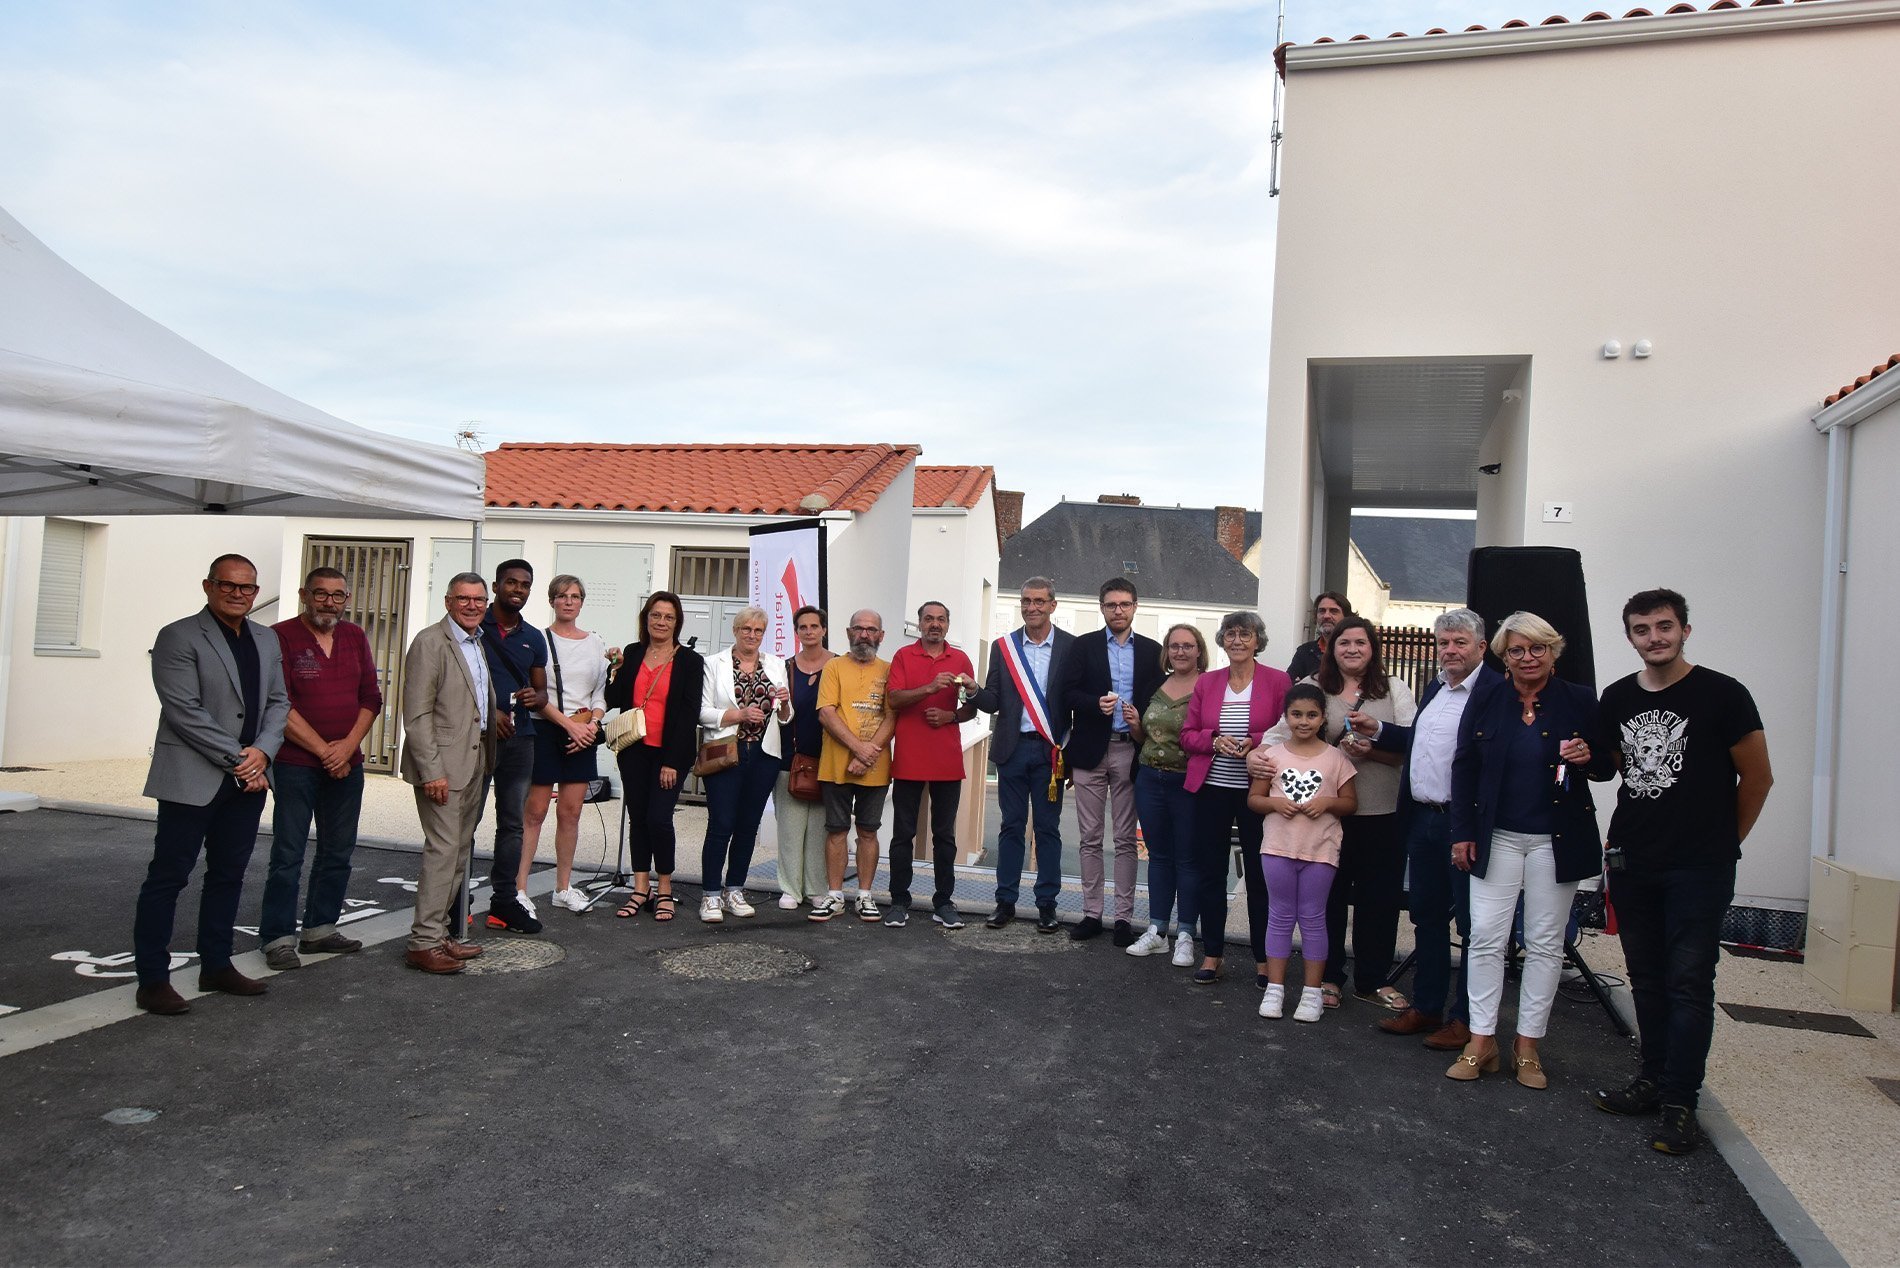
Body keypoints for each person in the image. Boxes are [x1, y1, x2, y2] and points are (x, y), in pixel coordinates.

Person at [1593, 589, 1771, 1154]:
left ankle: (1681, 1103)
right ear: (1630, 638)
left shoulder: (1724, 695)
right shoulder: (1617, 696)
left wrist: (1723, 845)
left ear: (1685, 631)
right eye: (1642, 629)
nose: (1655, 637)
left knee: (1689, 984)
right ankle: (1652, 1080)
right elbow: (1616, 767)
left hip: (1699, 867)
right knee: (1645, 978)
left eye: (1665, 626)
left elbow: (1759, 779)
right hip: (1634, 859)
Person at [1447, 611, 1608, 1088]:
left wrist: (1589, 757)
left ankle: (1528, 1045)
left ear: (1553, 650)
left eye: (1537, 648)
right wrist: (1462, 832)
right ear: (1503, 655)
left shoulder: (1579, 699)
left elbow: (1606, 766)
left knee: (1543, 943)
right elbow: (1464, 766)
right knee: (1485, 939)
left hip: (1553, 842)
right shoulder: (1487, 696)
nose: (1527, 657)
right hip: (1496, 838)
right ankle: (1481, 1041)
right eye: (1516, 650)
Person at [132, 554, 291, 1015]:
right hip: (195, 776)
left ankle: (216, 965)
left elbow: (279, 703)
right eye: (228, 585)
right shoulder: (178, 636)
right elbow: (184, 712)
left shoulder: (265, 638)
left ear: (256, 593)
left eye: (247, 587)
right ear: (208, 586)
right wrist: (243, 760)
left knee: (229, 875)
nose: (238, 594)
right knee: (168, 877)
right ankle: (152, 980)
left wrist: (263, 751)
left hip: (248, 779)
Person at [1257, 617, 1418, 1011]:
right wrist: (1254, 760)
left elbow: (1417, 742)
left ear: (1372, 647)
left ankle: (1372, 979)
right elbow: (1276, 738)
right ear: (1331, 648)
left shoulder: (1394, 688)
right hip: (1324, 816)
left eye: (1360, 643)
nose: (1352, 649)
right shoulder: (1314, 687)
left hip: (1382, 809)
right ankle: (1328, 978)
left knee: (1378, 899)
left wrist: (1373, 748)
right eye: (1344, 643)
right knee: (1327, 900)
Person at [1362, 609, 1498, 1051]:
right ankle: (1428, 1006)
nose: (1450, 650)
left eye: (1460, 642)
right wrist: (1380, 729)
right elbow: (1420, 743)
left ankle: (1466, 1019)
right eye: (1444, 643)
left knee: (1474, 927)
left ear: (1482, 646)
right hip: (1422, 819)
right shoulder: (1437, 686)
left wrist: (1471, 828)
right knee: (1427, 917)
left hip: (1464, 824)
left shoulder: (1496, 692)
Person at [258, 566, 382, 972]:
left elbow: (371, 697)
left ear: (347, 599)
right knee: (288, 852)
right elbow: (280, 703)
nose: (329, 602)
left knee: (338, 851)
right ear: (303, 594)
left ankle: (320, 929)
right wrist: (325, 752)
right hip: (296, 764)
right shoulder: (280, 636)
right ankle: (277, 938)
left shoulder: (355, 636)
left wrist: (346, 749)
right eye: (321, 593)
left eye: (338, 595)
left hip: (348, 763)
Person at [399, 573, 503, 974]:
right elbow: (418, 714)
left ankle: (439, 934)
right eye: (464, 598)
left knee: (459, 851)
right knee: (443, 851)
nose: (472, 605)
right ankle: (423, 942)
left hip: (473, 759)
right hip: (442, 766)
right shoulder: (430, 642)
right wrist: (432, 772)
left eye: (479, 599)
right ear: (447, 601)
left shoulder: (476, 640)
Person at [961, 578, 1075, 933]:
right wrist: (974, 691)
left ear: (1052, 605)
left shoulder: (1072, 648)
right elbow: (993, 700)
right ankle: (1005, 902)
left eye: (1039, 601)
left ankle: (1047, 905)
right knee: (1010, 828)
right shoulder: (1003, 647)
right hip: (1011, 749)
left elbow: (1076, 706)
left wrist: (1072, 754)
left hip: (1050, 752)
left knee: (1047, 830)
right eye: (1026, 601)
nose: (1031, 607)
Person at [1181, 611, 1289, 984]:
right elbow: (1187, 735)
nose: (1238, 640)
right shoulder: (1207, 683)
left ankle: (1263, 960)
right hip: (1211, 790)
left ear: (1258, 640)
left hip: (1257, 791)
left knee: (1261, 876)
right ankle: (1212, 954)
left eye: (1246, 634)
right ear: (1222, 640)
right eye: (1231, 634)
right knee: (1211, 874)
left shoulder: (1277, 681)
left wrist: (1254, 741)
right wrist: (1213, 740)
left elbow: (1288, 730)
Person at [1061, 578, 1164, 945]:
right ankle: (1092, 913)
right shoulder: (1083, 646)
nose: (1117, 611)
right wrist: (1093, 704)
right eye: (1111, 605)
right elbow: (1065, 693)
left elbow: (1160, 700)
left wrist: (1141, 719)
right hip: (1090, 749)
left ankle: (1123, 918)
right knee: (1089, 838)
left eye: (1124, 604)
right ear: (1101, 607)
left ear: (1136, 606)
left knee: (1125, 839)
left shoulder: (1153, 651)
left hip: (1129, 750)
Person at [1249, 684, 1357, 1022]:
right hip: (1278, 848)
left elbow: (1351, 803)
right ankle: (1275, 989)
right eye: (1296, 714)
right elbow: (1254, 799)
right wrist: (1275, 803)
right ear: (1285, 717)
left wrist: (1328, 802)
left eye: (1312, 714)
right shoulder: (1273, 756)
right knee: (1279, 917)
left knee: (1313, 918)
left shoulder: (1336, 758)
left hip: (1320, 851)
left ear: (1323, 717)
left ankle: (1312, 994)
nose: (1304, 721)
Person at [602, 590, 705, 924]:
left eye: (668, 617)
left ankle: (664, 887)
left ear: (677, 622)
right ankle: (639, 887)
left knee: (659, 819)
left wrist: (673, 762)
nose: (661, 622)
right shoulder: (632, 653)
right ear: (646, 619)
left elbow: (690, 713)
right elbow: (616, 698)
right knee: (638, 818)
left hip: (669, 753)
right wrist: (614, 669)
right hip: (634, 749)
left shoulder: (689, 660)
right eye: (656, 616)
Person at [516, 574, 611, 915]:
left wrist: (593, 724)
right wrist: (569, 726)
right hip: (547, 729)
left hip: (583, 731)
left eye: (575, 596)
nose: (569, 601)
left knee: (571, 812)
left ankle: (563, 887)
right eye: (562, 596)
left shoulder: (595, 642)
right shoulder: (538, 639)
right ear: (552, 601)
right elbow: (536, 695)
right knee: (535, 811)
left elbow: (600, 691)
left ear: (582, 602)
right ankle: (520, 888)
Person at [697, 607, 794, 922]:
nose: (752, 635)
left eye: (758, 631)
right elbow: (702, 712)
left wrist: (785, 704)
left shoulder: (776, 664)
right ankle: (711, 894)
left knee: (748, 826)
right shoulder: (714, 663)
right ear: (736, 630)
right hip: (726, 751)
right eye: (747, 629)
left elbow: (785, 716)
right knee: (721, 824)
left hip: (764, 754)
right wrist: (737, 715)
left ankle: (735, 889)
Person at [885, 600, 976, 929]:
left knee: (945, 836)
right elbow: (893, 699)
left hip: (947, 761)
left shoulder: (961, 658)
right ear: (920, 624)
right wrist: (929, 688)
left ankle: (944, 901)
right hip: (909, 758)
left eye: (940, 619)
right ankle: (898, 900)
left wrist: (951, 714)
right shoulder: (903, 656)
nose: (934, 624)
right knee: (902, 835)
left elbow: (972, 708)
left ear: (948, 625)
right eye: (928, 619)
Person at [1126, 624, 1206, 964]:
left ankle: (1186, 932)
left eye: (1188, 646)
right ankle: (1157, 930)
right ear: (1166, 651)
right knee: (1158, 856)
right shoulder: (1154, 685)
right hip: (1149, 779)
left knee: (1187, 858)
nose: (1181, 652)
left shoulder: (1209, 685)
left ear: (1199, 650)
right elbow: (1146, 739)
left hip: (1188, 783)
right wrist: (1134, 725)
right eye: (1175, 646)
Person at [478, 558, 548, 935]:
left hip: (520, 740)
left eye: (524, 585)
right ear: (496, 585)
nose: (517, 590)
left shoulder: (533, 637)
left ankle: (504, 901)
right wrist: (490, 713)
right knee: (464, 822)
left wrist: (533, 697)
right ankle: (453, 901)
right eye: (511, 583)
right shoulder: (473, 626)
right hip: (477, 739)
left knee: (512, 825)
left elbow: (541, 690)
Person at [814, 609, 895, 923]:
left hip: (875, 767)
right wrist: (860, 750)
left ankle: (864, 896)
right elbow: (826, 712)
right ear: (848, 633)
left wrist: (868, 755)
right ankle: (834, 896)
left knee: (868, 831)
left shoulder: (890, 669)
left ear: (881, 635)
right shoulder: (833, 666)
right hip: (836, 763)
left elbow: (893, 716)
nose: (865, 634)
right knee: (836, 830)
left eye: (871, 629)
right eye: (859, 629)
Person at [774, 605, 833, 910]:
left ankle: (816, 888)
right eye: (803, 627)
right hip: (791, 759)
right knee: (790, 829)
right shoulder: (783, 668)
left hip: (830, 761)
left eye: (814, 626)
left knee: (821, 832)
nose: (809, 631)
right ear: (796, 632)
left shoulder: (839, 666)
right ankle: (790, 889)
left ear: (824, 629)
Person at [1285, 591, 1351, 682]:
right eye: (1322, 611)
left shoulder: (1354, 651)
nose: (1326, 616)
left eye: (1334, 611)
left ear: (1347, 617)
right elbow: (1289, 684)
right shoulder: (1305, 652)